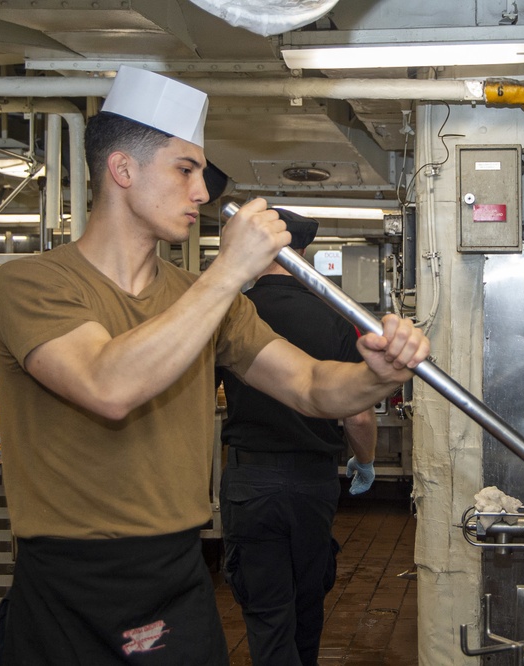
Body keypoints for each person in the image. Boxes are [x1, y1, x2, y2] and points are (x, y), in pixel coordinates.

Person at [0, 65, 429, 665]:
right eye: (185, 169)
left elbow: (313, 386)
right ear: (122, 169)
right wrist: (227, 273)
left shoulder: (205, 301)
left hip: (177, 575)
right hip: (69, 583)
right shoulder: (31, 284)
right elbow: (106, 385)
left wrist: (379, 374)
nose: (202, 192)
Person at [217, 208, 378, 666]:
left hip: (251, 481)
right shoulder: (334, 319)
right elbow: (360, 417)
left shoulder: (231, 313)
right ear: (302, 254)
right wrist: (364, 463)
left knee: (267, 614)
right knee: (308, 604)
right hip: (312, 484)